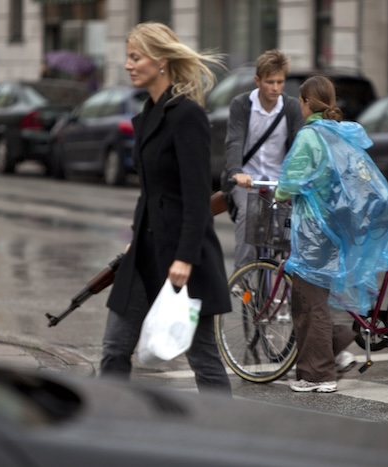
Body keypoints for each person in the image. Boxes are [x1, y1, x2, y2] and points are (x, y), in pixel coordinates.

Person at [100, 22, 232, 395]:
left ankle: (228, 435)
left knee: (203, 358)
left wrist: (186, 258)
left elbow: (196, 197)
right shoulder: (148, 114)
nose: (128, 65)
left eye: (135, 57)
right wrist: (134, 240)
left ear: (161, 62)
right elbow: (149, 193)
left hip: (182, 258)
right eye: (128, 56)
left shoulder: (187, 115)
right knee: (114, 349)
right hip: (145, 253)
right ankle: (107, 426)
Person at [274, 76, 388, 393]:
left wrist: (280, 193)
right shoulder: (339, 133)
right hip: (337, 229)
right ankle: (338, 346)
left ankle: (317, 375)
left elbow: (289, 184)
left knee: (309, 303)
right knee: (315, 302)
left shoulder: (310, 137)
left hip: (316, 233)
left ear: (304, 102)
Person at [221, 49, 303, 271]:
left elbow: (298, 147)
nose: (275, 88)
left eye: (280, 82)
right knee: (250, 216)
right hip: (248, 179)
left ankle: (284, 281)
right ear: (257, 80)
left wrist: (297, 178)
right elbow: (235, 140)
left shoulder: (291, 107)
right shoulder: (241, 104)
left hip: (280, 181)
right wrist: (237, 171)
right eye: (269, 82)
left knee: (289, 229)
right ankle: (244, 277)